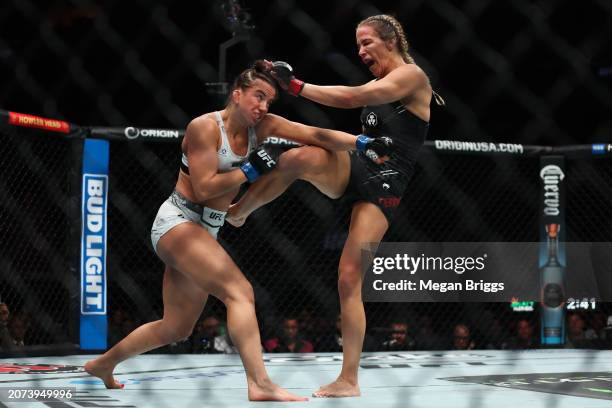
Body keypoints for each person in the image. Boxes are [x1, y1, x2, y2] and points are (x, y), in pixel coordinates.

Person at [84, 60, 390, 402]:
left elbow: (315, 135)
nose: (262, 107)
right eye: (258, 96)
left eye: (269, 101)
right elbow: (203, 189)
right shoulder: (205, 128)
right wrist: (252, 169)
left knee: (176, 327)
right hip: (178, 222)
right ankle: (259, 383)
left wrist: (362, 143)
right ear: (237, 94)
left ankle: (103, 364)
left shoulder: (267, 125)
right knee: (240, 292)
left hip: (205, 231)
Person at [227, 14, 442, 397]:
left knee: (348, 278)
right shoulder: (380, 80)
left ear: (390, 41)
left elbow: (350, 98)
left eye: (367, 43)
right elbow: (357, 113)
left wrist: (295, 85)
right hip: (358, 163)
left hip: (386, 184)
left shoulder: (412, 77)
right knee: (297, 159)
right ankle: (238, 212)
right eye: (358, 45)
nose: (361, 52)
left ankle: (349, 379)